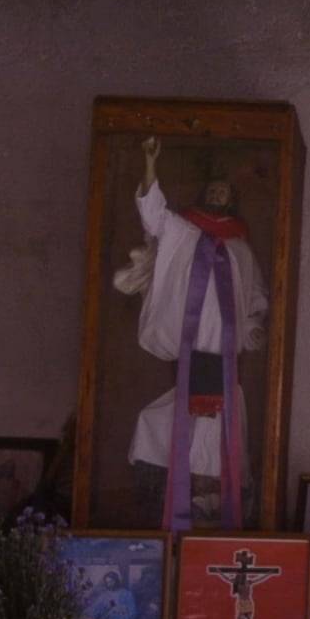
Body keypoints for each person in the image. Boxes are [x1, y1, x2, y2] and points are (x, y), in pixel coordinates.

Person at [114, 139, 268, 529]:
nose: (217, 195)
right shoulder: (183, 232)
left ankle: (211, 498)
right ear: (204, 195)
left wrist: (251, 329)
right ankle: (177, 492)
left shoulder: (240, 248)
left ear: (231, 202)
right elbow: (154, 215)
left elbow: (254, 297)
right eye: (213, 190)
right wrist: (150, 163)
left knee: (218, 417)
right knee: (173, 414)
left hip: (224, 346)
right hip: (190, 336)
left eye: (224, 193)